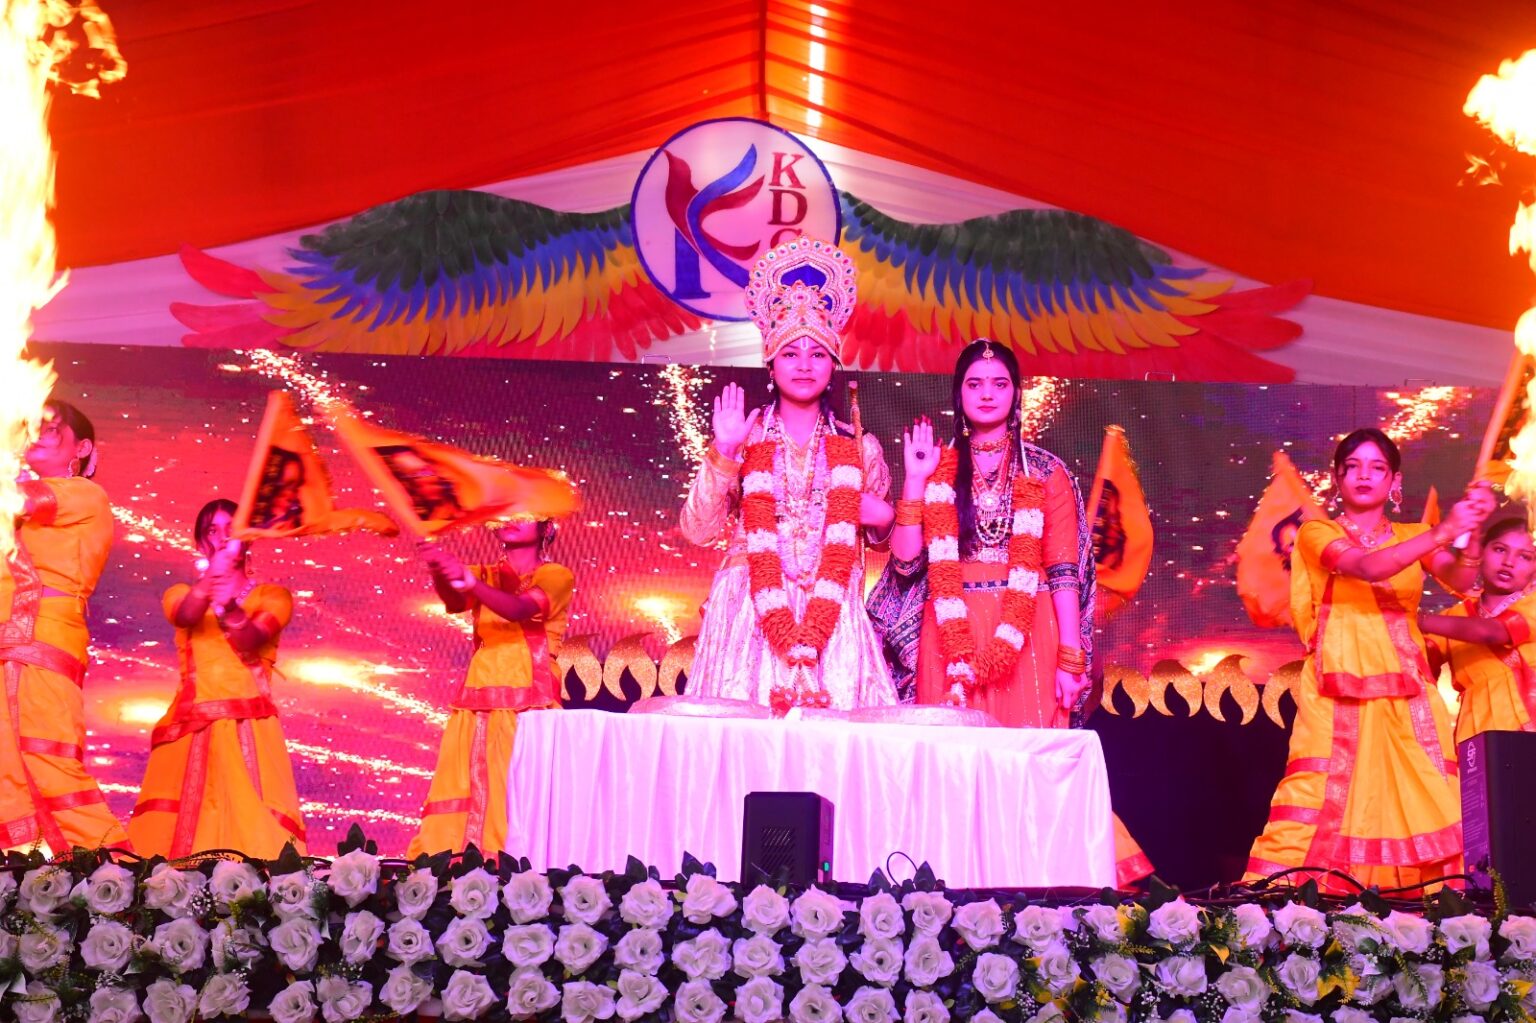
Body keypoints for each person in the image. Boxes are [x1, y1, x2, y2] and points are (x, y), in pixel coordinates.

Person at [871, 338, 1151, 886]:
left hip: (1029, 635)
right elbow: (904, 560)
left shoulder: (1045, 470)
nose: (987, 394)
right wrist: (914, 478)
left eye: (999, 384)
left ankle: (1037, 897)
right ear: (958, 394)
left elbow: (1064, 570)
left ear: (1016, 393)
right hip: (947, 633)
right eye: (974, 384)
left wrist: (1071, 657)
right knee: (953, 769)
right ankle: (949, 892)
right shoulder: (939, 467)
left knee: (1029, 765)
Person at [1245, 427, 1494, 892]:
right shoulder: (1317, 532)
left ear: (1394, 480)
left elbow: (1462, 581)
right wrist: (1445, 530)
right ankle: (1285, 905)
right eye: (1353, 466)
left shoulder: (1414, 535)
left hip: (1408, 689)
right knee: (1319, 791)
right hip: (1334, 689)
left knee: (1424, 790)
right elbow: (1367, 566)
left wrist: (1473, 531)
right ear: (1336, 477)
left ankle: (1438, 909)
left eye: (1377, 467)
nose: (1364, 475)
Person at [680, 237, 897, 714]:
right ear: (770, 363)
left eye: (817, 354)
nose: (803, 365)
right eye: (790, 353)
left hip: (833, 616)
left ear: (833, 365)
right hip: (749, 612)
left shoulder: (858, 445)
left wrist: (883, 517)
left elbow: (887, 544)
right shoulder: (747, 435)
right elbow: (697, 530)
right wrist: (724, 451)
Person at [128, 499, 306, 857]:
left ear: (248, 538)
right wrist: (214, 580)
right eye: (212, 530)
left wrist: (228, 605)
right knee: (172, 843)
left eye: (231, 529)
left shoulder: (273, 596)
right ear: (200, 543)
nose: (222, 538)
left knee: (253, 835)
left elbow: (250, 639)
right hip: (188, 726)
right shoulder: (179, 593)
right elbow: (186, 615)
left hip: (249, 727)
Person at [0, 401, 128, 852]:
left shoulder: (85, 494)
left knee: (45, 757)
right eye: (32, 426)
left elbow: (25, 499)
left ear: (82, 448)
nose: (36, 433)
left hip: (44, 640)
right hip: (7, 643)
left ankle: (115, 876)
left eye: (51, 428)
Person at [409, 516, 572, 857]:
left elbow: (519, 609)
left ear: (545, 528)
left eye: (526, 515)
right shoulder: (484, 574)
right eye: (507, 515)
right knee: (463, 779)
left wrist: (469, 581)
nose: (513, 521)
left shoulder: (555, 575)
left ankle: (513, 866)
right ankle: (451, 861)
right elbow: (455, 602)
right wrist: (439, 568)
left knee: (514, 785)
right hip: (480, 690)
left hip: (530, 696)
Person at [1421, 516, 1536, 744]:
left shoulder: (1532, 605)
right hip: (1476, 730)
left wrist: (1416, 619)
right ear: (1481, 552)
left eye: (1525, 556)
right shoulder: (1453, 617)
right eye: (1500, 550)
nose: (1509, 562)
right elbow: (1415, 660)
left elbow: (1491, 632)